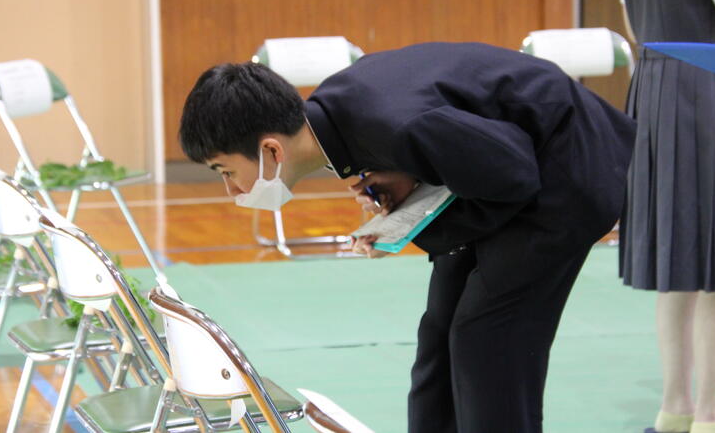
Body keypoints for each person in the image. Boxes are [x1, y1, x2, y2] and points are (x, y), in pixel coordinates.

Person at [178, 42, 636, 433]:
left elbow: (515, 175)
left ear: (271, 150)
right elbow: (462, 152)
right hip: (504, 172)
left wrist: (414, 226)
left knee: (486, 337)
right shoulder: (339, 115)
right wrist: (408, 179)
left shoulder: (399, 125)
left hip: (568, 167)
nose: (231, 190)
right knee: (439, 330)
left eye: (225, 171)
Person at [611, 0, 715, 432]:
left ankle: (675, 411)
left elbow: (632, 21)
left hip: (654, 87)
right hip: (710, 87)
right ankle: (711, 417)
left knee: (678, 264)